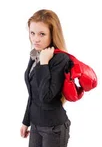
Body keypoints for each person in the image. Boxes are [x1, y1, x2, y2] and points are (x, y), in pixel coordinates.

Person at [20, 9, 72, 147]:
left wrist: (44, 64)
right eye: (32, 33)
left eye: (42, 34)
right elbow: (32, 94)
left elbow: (46, 96)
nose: (36, 39)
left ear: (52, 34)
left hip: (54, 128)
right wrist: (26, 121)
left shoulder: (61, 59)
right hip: (36, 124)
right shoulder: (36, 54)